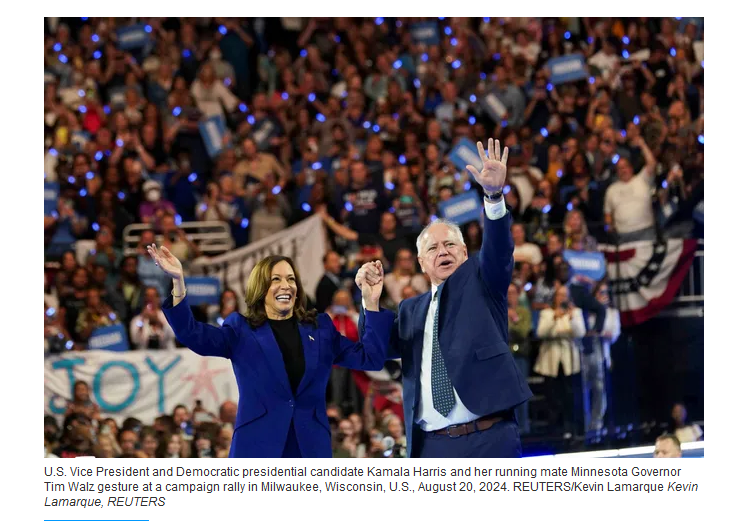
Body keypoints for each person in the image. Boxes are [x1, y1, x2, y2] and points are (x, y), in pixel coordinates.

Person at [357, 139, 532, 458]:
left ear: (465, 253)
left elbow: (498, 252)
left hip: (488, 439)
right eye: (433, 249)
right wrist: (370, 302)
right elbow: (376, 351)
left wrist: (493, 197)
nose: (443, 252)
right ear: (421, 263)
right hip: (431, 446)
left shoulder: (483, 282)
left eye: (450, 245)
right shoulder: (410, 309)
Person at [147, 247, 394, 458]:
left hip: (310, 448)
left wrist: (370, 302)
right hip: (257, 448)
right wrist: (179, 282)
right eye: (275, 279)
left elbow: (369, 358)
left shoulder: (320, 329)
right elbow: (193, 335)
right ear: (261, 287)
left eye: (291, 279)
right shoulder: (241, 330)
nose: (285, 285)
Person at [534, 286, 586, 438]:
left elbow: (580, 332)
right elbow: (541, 332)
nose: (562, 298)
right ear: (555, 297)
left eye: (565, 295)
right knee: (552, 397)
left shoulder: (575, 312)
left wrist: (571, 318)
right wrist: (555, 318)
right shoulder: (547, 313)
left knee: (569, 396)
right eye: (559, 295)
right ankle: (555, 431)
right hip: (551, 362)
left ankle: (571, 429)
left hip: (570, 363)